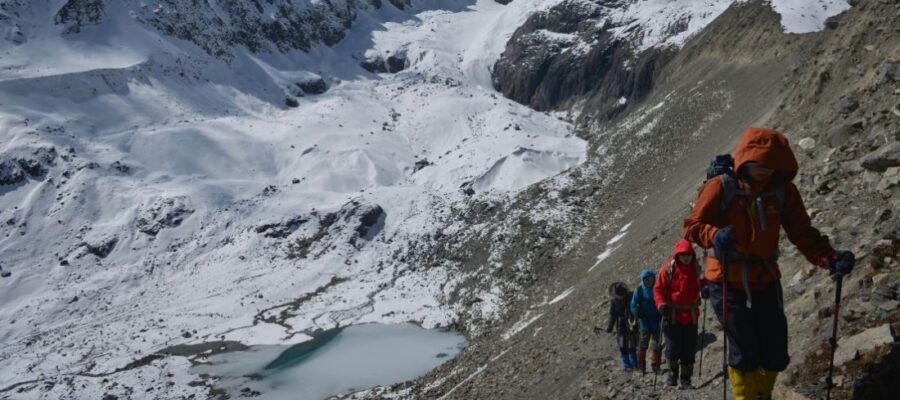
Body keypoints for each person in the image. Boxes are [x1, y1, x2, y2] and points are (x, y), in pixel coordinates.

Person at [683, 127, 855, 400]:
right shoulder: (720, 186)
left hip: (765, 276)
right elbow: (692, 226)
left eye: (774, 168)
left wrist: (829, 258)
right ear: (747, 161)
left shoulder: (783, 191)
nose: (768, 174)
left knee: (775, 352)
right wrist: (714, 235)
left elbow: (802, 233)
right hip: (726, 279)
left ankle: (762, 393)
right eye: (763, 167)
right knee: (744, 353)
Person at [654, 239, 706, 388]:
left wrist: (706, 289)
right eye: (683, 254)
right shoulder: (668, 269)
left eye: (688, 254)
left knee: (689, 348)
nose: (686, 257)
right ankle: (672, 374)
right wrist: (661, 304)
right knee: (672, 348)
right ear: (677, 255)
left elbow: (704, 282)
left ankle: (685, 378)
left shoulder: (696, 269)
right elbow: (658, 289)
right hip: (672, 315)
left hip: (691, 316)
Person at [630, 268, 662, 374]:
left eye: (650, 279)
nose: (649, 281)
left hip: (657, 320)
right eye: (646, 279)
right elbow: (633, 304)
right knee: (643, 345)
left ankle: (655, 365)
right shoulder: (639, 290)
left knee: (657, 344)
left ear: (653, 278)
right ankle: (641, 366)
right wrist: (636, 313)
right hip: (644, 322)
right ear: (642, 280)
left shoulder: (658, 288)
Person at [607, 282, 638, 370]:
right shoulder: (614, 301)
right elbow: (612, 315)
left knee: (632, 345)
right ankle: (627, 364)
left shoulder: (631, 296)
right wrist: (610, 326)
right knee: (622, 346)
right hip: (621, 326)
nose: (620, 297)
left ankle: (635, 363)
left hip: (631, 324)